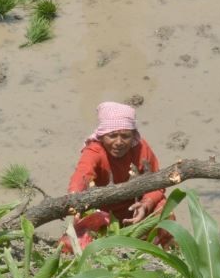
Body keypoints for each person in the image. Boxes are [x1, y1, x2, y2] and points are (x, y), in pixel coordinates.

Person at [63, 101, 168, 251]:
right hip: (103, 214)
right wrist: (74, 199)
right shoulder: (95, 151)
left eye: (125, 136)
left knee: (163, 207)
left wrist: (146, 204)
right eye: (112, 136)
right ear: (102, 135)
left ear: (133, 136)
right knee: (74, 241)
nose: (119, 142)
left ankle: (168, 252)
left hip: (134, 209)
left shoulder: (141, 148)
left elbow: (158, 183)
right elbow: (81, 176)